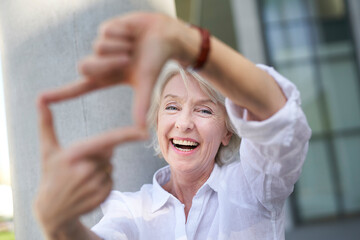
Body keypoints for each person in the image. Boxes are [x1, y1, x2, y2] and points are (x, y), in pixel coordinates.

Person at [34, 12, 311, 240]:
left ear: (228, 130)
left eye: (204, 110)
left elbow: (280, 118)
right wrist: (62, 226)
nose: (184, 123)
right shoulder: (130, 209)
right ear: (157, 121)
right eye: (172, 107)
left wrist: (189, 43)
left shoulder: (253, 188)